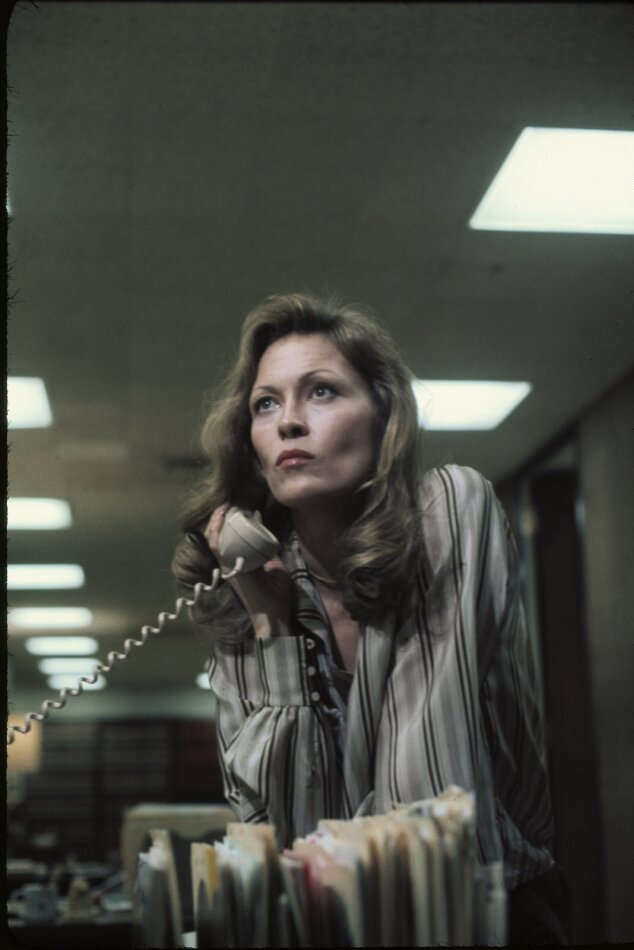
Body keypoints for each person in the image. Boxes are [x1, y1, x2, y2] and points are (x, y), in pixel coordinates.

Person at [172, 292, 571, 944]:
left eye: (321, 392)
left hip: (482, 916)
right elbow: (284, 845)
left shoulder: (448, 510)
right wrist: (273, 630)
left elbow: (425, 810)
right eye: (265, 404)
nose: (288, 422)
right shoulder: (246, 582)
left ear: (385, 417)